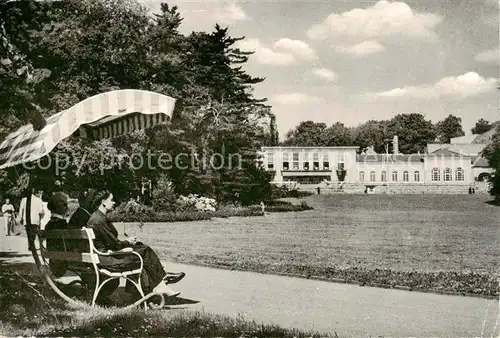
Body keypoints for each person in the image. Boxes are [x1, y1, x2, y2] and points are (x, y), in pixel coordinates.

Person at [86, 190, 185, 301]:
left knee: (140, 246)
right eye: (112, 200)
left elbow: (111, 242)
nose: (114, 203)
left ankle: (155, 285)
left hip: (104, 257)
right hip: (108, 259)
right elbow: (115, 244)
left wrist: (128, 243)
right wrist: (128, 242)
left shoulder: (96, 217)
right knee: (145, 251)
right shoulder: (99, 220)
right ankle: (160, 282)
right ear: (103, 201)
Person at [44, 191, 71, 277]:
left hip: (53, 262)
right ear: (62, 207)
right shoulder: (63, 225)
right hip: (64, 263)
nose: (67, 207)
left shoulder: (48, 225)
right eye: (65, 205)